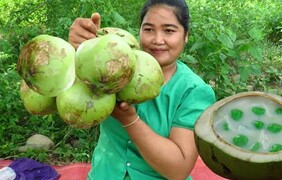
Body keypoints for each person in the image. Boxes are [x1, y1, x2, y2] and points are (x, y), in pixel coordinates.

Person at [68, 0, 216, 179]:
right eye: (148, 29)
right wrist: (81, 51)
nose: (157, 40)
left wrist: (129, 119)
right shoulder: (111, 67)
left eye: (169, 30)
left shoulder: (194, 92)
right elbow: (66, 102)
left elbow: (179, 169)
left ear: (185, 36)